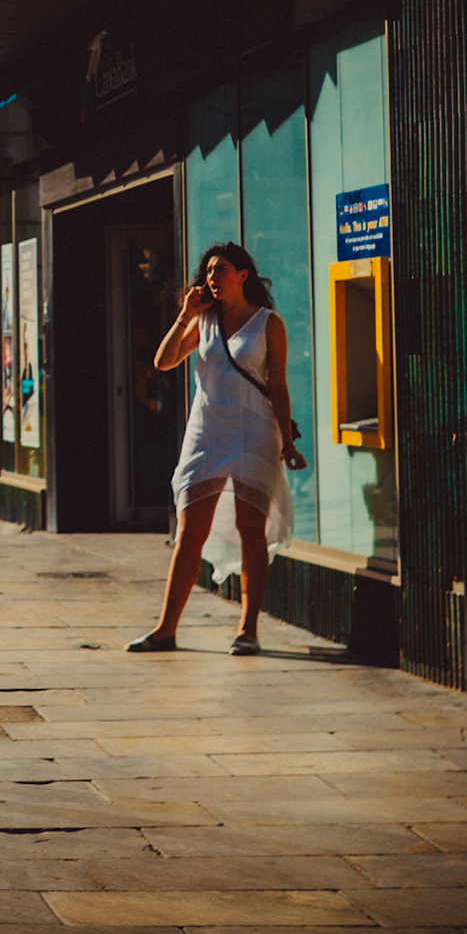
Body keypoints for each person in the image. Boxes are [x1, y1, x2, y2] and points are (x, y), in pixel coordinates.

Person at [131, 241, 307, 657]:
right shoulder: (203, 319)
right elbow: (163, 361)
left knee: (251, 531)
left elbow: (278, 386)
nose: (213, 276)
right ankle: (165, 629)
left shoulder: (268, 323)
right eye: (209, 270)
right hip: (207, 432)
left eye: (221, 269)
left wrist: (287, 441)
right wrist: (185, 315)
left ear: (242, 276)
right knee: (190, 531)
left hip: (254, 432)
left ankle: (248, 629)